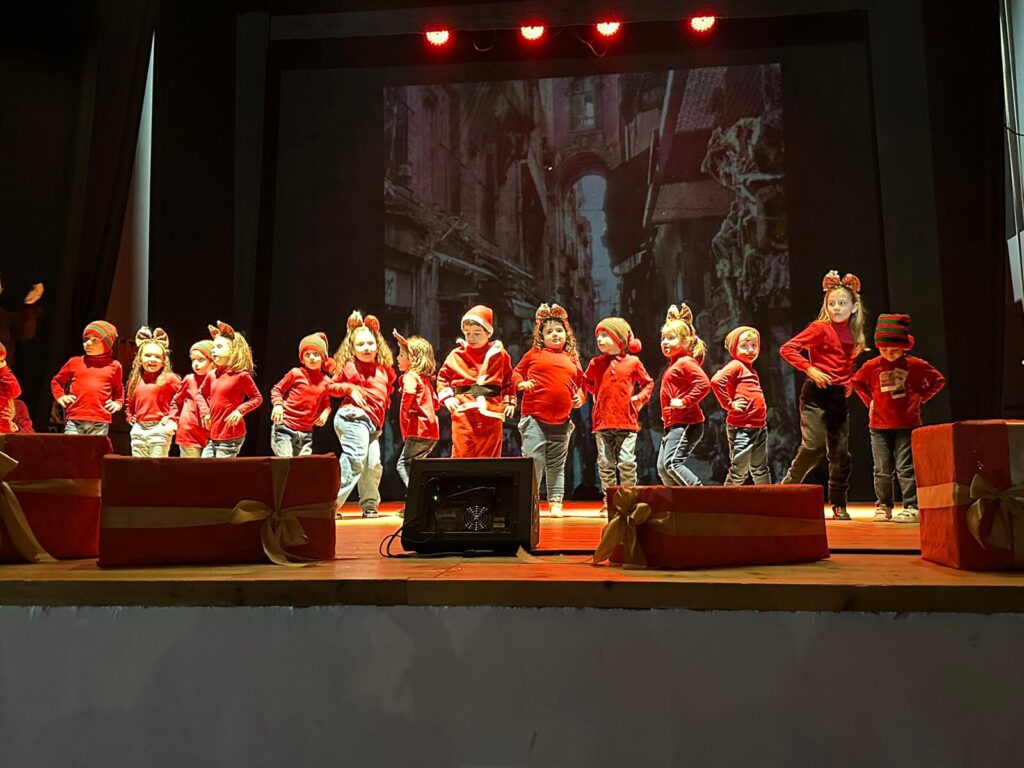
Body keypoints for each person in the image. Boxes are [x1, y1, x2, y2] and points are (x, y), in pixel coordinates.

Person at [779, 270, 868, 520]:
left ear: (853, 307)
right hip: (815, 395)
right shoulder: (820, 328)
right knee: (813, 446)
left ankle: (838, 504)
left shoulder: (854, 333)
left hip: (837, 397)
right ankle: (787, 488)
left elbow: (846, 362)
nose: (836, 307)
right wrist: (810, 368)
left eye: (842, 303)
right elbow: (788, 349)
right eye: (832, 303)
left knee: (840, 454)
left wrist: (849, 380)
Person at [851, 313, 945, 522]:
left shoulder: (915, 364)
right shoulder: (872, 365)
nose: (890, 354)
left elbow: (938, 379)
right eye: (884, 350)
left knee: (905, 467)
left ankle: (911, 506)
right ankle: (883, 505)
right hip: (878, 426)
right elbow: (856, 382)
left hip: (907, 425)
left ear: (904, 347)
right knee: (882, 469)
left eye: (894, 350)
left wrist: (921, 397)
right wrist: (870, 402)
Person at [512, 304, 584, 517]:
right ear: (541, 336)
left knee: (556, 465)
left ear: (566, 334)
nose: (555, 334)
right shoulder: (533, 353)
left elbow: (581, 384)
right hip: (534, 418)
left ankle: (555, 502)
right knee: (534, 462)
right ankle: (530, 502)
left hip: (562, 421)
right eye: (549, 331)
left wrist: (580, 396)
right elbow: (516, 372)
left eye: (559, 330)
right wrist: (521, 384)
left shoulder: (572, 358)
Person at [330, 312, 395, 517]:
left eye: (370, 343)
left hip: (373, 426)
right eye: (360, 344)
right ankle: (328, 506)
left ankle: (369, 505)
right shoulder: (349, 366)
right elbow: (330, 386)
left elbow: (387, 393)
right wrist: (349, 389)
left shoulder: (385, 370)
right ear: (352, 348)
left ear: (377, 344)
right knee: (355, 458)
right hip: (353, 417)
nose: (366, 348)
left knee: (373, 464)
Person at [583, 317, 654, 499]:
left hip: (627, 421)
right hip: (602, 422)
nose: (600, 339)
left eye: (605, 335)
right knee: (605, 464)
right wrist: (595, 392)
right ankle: (610, 500)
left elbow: (648, 383)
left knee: (627, 462)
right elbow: (586, 381)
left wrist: (640, 399)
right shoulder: (595, 363)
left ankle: (628, 498)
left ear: (619, 338)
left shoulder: (633, 362)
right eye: (598, 335)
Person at [436, 305, 515, 458]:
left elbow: (508, 381)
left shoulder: (500, 355)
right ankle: (461, 482)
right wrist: (447, 397)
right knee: (462, 452)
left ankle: (486, 482)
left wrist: (509, 401)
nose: (471, 338)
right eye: (467, 333)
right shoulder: (456, 355)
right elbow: (443, 378)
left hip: (491, 413)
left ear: (488, 333)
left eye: (477, 334)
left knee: (489, 455)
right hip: (463, 411)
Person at [656, 305, 710, 486]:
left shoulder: (686, 362)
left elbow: (703, 384)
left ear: (686, 342)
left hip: (686, 422)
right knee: (663, 468)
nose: (665, 342)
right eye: (663, 338)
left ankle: (699, 494)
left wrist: (685, 401)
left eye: (671, 338)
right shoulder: (673, 364)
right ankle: (678, 502)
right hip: (673, 423)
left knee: (671, 463)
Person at [710, 325, 771, 485]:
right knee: (739, 470)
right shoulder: (736, 365)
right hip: (742, 427)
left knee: (760, 468)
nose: (750, 350)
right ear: (733, 348)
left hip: (758, 426)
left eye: (754, 345)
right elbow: (716, 381)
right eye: (744, 346)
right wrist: (729, 404)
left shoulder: (751, 370)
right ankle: (727, 503)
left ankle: (770, 500)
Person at [197, 321, 262, 458]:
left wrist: (240, 410)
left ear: (233, 349)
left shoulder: (241, 375)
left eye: (219, 346)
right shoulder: (211, 375)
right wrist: (205, 412)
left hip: (231, 436)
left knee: (221, 472)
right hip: (214, 435)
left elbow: (257, 398)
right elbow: (200, 394)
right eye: (213, 347)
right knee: (203, 468)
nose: (213, 350)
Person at [50, 320, 123, 436]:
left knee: (95, 452)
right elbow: (57, 381)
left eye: (94, 340)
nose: (87, 343)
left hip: (100, 420)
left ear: (107, 343)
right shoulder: (74, 362)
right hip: (75, 419)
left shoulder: (115, 366)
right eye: (86, 339)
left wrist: (118, 403)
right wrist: (60, 396)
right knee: (72, 451)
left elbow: (118, 390)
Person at [269, 332, 333, 457]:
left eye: (316, 354)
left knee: (303, 468)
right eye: (307, 354)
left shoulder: (326, 381)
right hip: (285, 427)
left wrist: (326, 412)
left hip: (306, 432)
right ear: (302, 358)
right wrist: (278, 405)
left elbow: (326, 403)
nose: (312, 358)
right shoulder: (296, 373)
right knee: (285, 462)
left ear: (323, 358)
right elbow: (277, 390)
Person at [393, 330, 440, 488]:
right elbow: (436, 404)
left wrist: (406, 409)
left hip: (418, 430)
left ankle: (415, 498)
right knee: (417, 467)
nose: (397, 358)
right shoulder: (424, 380)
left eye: (401, 355)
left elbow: (409, 393)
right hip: (431, 432)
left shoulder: (410, 377)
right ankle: (419, 499)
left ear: (413, 358)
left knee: (403, 465)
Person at [124, 327, 180, 457]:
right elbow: (129, 402)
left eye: (157, 356)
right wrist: (129, 415)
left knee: (156, 466)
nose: (152, 359)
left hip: (160, 427)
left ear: (163, 360)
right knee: (139, 467)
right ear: (139, 359)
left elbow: (181, 400)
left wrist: (172, 419)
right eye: (148, 355)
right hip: (138, 428)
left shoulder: (170, 379)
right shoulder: (135, 379)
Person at [168, 340, 214, 457]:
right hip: (189, 432)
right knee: (189, 470)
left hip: (211, 433)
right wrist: (172, 419)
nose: (196, 364)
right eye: (193, 360)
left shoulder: (218, 380)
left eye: (201, 359)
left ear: (212, 360)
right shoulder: (189, 379)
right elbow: (176, 402)